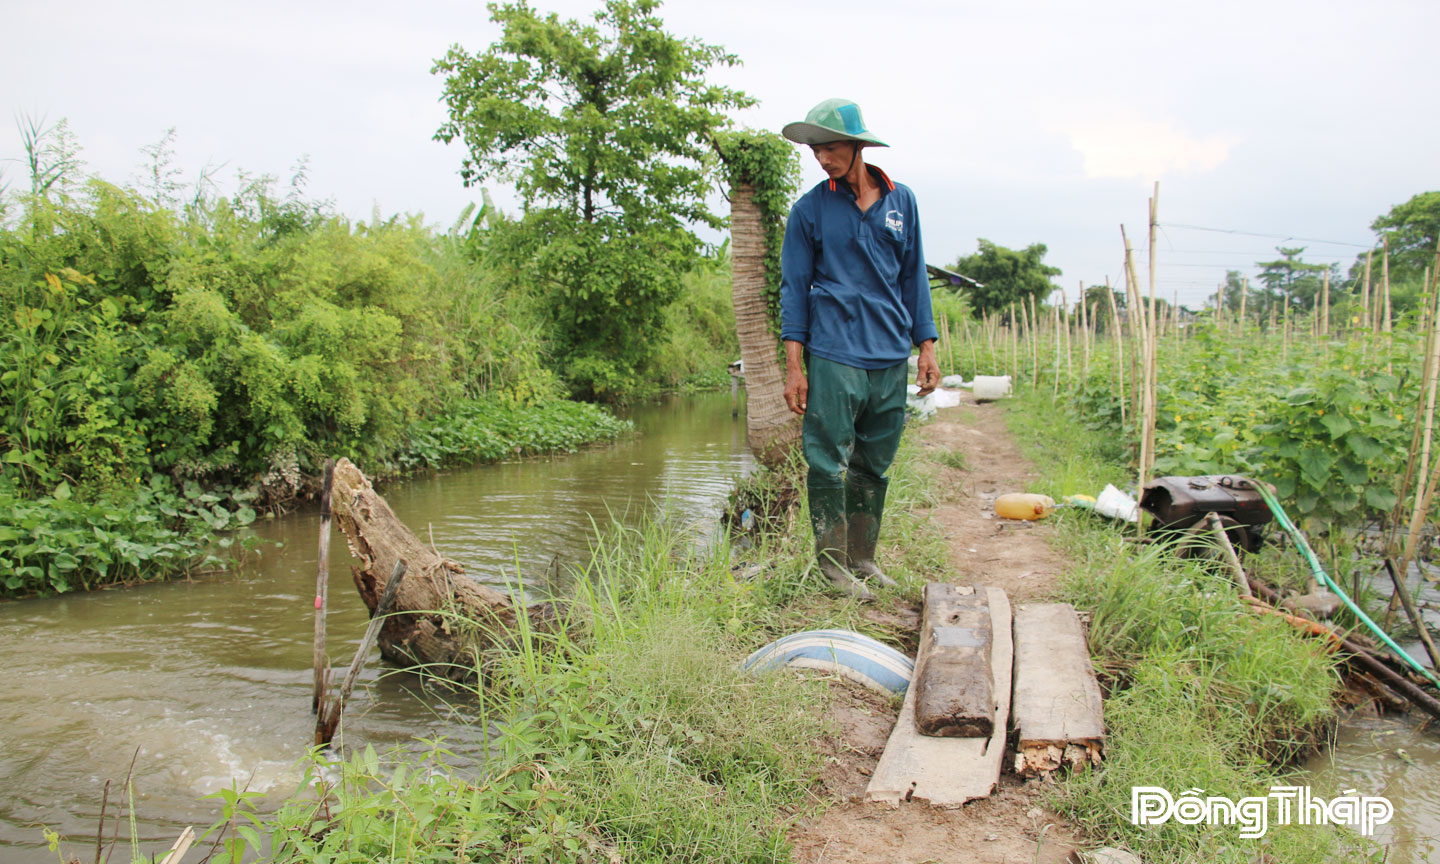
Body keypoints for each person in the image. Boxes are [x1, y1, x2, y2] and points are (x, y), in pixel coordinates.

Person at [779, 97, 940, 601]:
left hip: (890, 353)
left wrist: (926, 347)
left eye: (830, 148)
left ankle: (863, 560)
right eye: (815, 150)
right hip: (834, 351)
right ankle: (832, 568)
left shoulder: (901, 201)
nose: (822, 158)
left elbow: (914, 278)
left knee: (875, 461)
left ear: (857, 146)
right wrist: (795, 367)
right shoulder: (809, 210)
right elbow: (793, 288)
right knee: (828, 459)